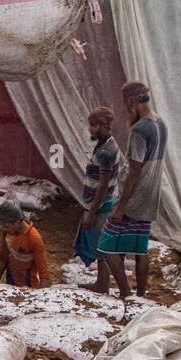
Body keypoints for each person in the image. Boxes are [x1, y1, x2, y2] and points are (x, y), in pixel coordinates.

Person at [99, 81, 166, 305]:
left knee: (107, 244)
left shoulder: (140, 130)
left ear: (131, 101)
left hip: (136, 196)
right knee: (140, 246)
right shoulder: (160, 124)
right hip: (151, 194)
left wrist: (120, 207)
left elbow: (134, 172)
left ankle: (126, 294)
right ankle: (141, 295)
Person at [74, 106, 122, 294]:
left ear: (103, 125)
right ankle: (102, 283)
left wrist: (91, 213)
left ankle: (110, 286)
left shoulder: (107, 150)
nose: (90, 129)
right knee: (101, 248)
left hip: (101, 207)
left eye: (93, 126)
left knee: (103, 249)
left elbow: (102, 185)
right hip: (102, 204)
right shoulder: (104, 144)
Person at [0, 202, 51, 288]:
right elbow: (3, 258)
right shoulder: (8, 233)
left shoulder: (34, 238)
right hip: (11, 279)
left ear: (17, 222)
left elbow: (44, 273)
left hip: (28, 284)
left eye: (6, 226)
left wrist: (40, 297)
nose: (4, 229)